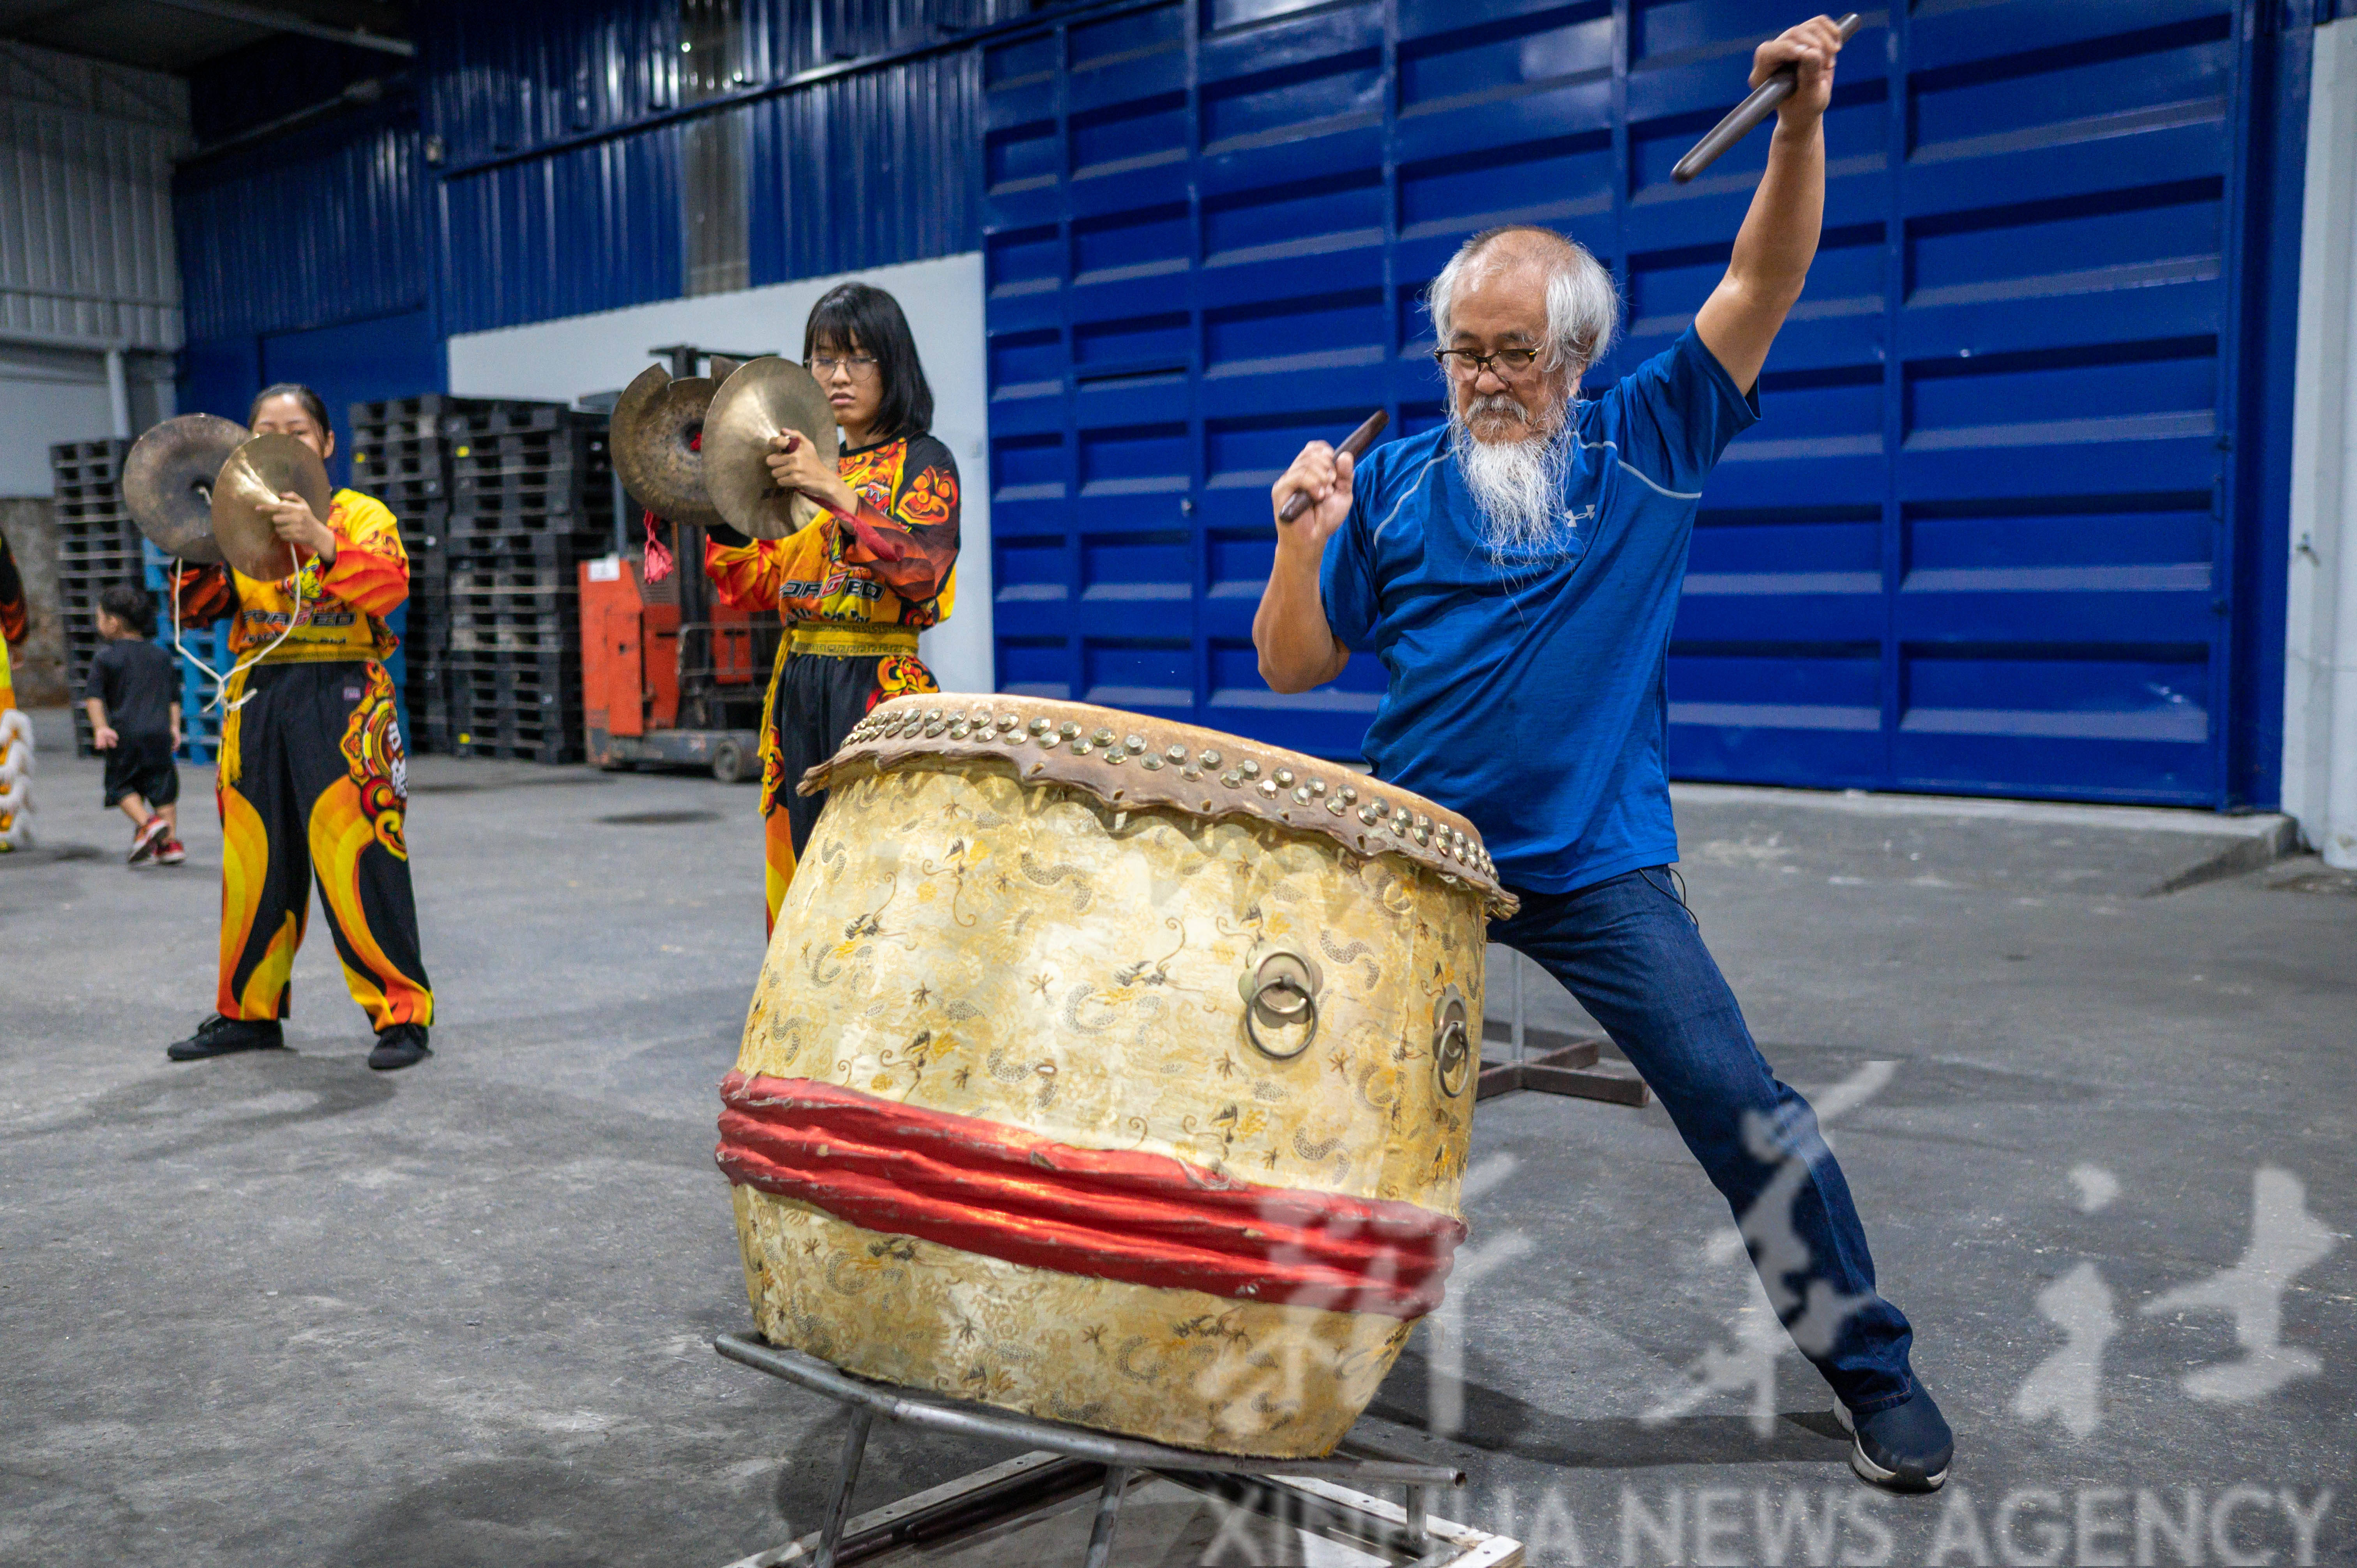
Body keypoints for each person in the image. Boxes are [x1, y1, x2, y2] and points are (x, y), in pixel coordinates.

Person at [1253, 19, 1953, 1493]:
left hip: (1588, 861)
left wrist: (1797, 124)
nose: (1487, 379)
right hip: (1411, 858)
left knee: (1738, 1105)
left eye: (1515, 353)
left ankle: (1869, 1370)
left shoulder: (1652, 435)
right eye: (1464, 353)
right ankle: (1254, 1343)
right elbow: (1294, 663)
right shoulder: (1387, 481)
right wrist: (1298, 537)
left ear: (1574, 355)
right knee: (1276, 1086)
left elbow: (1760, 277)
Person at [164, 383, 433, 1072]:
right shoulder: (233, 519)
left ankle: (401, 1015)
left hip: (344, 693)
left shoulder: (359, 513)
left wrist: (322, 541)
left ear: (326, 444)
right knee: (255, 856)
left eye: (298, 431)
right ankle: (248, 1013)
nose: (283, 441)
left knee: (363, 852)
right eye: (266, 430)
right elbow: (198, 608)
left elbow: (393, 590)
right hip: (257, 688)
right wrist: (194, 539)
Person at [705, 283, 960, 932]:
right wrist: (725, 501)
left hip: (878, 689)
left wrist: (832, 490)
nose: (838, 376)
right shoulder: (805, 467)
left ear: (893, 365)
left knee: (878, 865)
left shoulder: (922, 460)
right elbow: (756, 584)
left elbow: (922, 571)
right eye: (822, 359)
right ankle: (804, 1023)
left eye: (858, 358)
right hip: (799, 684)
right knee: (798, 862)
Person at [85, 583, 186, 865]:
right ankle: (169, 844)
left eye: (100, 618)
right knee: (163, 789)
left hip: (125, 734)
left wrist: (101, 728)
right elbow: (172, 698)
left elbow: (94, 697)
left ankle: (146, 823)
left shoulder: (105, 658)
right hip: (160, 734)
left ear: (113, 623)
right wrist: (175, 728)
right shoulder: (161, 656)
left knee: (120, 786)